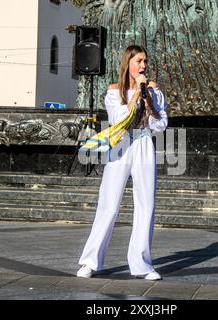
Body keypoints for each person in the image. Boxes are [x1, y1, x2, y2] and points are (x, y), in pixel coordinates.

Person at [76, 45, 168, 281]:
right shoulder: (114, 91)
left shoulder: (154, 91)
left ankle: (142, 264)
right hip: (121, 144)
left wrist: (150, 103)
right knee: (109, 203)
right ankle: (90, 262)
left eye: (145, 61)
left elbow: (160, 125)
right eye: (139, 61)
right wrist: (137, 92)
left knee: (146, 204)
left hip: (144, 142)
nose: (143, 66)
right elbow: (118, 119)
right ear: (128, 63)